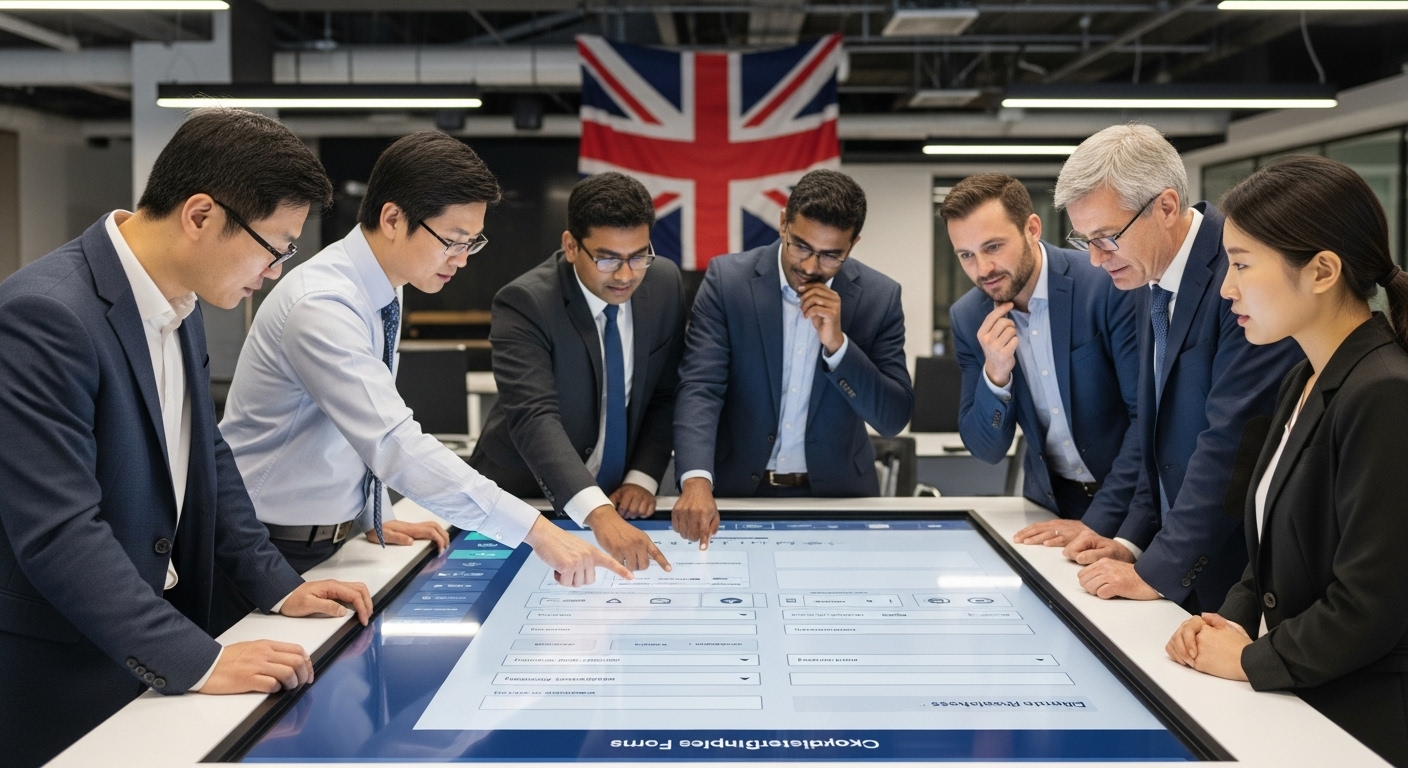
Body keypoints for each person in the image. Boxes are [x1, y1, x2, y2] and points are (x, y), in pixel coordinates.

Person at [0, 109, 374, 768]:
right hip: (69, 668)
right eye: (275, 247)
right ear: (201, 215)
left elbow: (207, 459)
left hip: (162, 629)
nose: (277, 270)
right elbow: (58, 530)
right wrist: (195, 660)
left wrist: (277, 585)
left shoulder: (183, 302)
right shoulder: (45, 316)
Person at [219, 132, 631, 605]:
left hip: (320, 539)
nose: (461, 260)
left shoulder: (383, 286)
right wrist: (537, 531)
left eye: (472, 242)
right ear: (393, 218)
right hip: (263, 549)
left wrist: (368, 514)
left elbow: (347, 429)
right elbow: (393, 442)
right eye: (453, 241)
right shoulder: (324, 304)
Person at [1166, 155, 1408, 766]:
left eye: (1243, 265)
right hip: (1298, 702)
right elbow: (1268, 547)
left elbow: (1372, 604)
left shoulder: (1385, 391)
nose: (1227, 287)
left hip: (1363, 724)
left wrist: (1250, 660)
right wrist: (1227, 621)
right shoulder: (1303, 376)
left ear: (1323, 270)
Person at [1053, 124, 1303, 612]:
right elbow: (1158, 439)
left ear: (1166, 207)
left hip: (1236, 575)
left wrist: (1159, 570)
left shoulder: (1239, 275)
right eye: (1085, 240)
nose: (1097, 259)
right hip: (1181, 565)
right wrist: (1130, 542)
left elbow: (1231, 444)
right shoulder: (1153, 274)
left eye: (1106, 237)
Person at [672, 169, 914, 549]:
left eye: (832, 254)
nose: (811, 266)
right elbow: (701, 387)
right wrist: (696, 481)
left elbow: (892, 419)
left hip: (840, 499)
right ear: (784, 222)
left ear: (853, 244)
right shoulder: (728, 281)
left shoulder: (878, 298)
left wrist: (838, 346)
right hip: (733, 494)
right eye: (801, 246)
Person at [469, 172, 682, 571]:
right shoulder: (525, 302)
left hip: (617, 498)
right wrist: (599, 515)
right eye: (607, 258)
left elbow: (666, 392)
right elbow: (534, 419)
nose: (625, 275)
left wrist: (642, 476)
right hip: (523, 497)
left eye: (638, 256)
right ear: (571, 246)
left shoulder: (664, 284)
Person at [943, 173, 1141, 527]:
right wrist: (995, 377)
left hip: (1131, 505)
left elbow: (1146, 419)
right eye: (966, 255)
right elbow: (985, 450)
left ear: (1032, 228)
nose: (982, 269)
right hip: (1050, 506)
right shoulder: (968, 316)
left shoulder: (1103, 283)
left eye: (993, 247)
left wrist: (1097, 521)